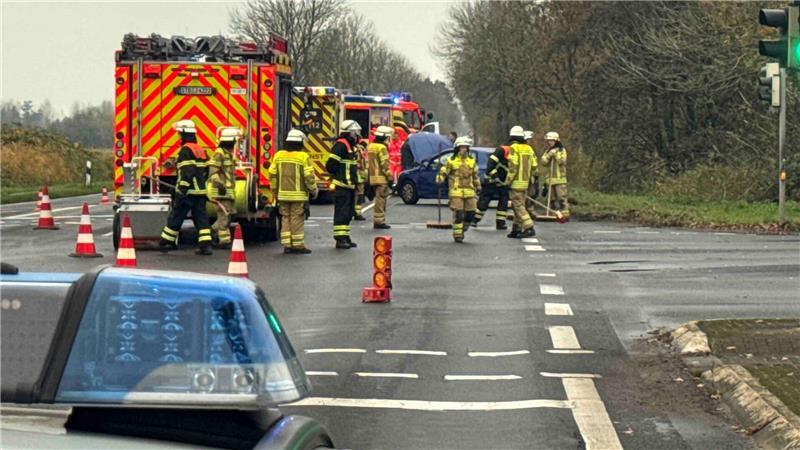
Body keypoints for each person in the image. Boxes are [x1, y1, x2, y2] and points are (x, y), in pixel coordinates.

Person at [159, 119, 213, 255]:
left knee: (176, 216)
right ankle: (205, 245)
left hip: (188, 192)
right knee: (201, 218)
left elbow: (187, 172)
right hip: (200, 191)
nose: (178, 137)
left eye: (179, 134)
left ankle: (166, 242)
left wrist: (181, 190)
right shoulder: (200, 150)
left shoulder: (185, 150)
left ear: (183, 134)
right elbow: (205, 170)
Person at [269, 129, 319, 254]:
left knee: (285, 218)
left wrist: (274, 191)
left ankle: (287, 244)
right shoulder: (303, 156)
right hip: (299, 196)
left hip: (282, 195)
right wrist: (313, 190)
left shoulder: (279, 155)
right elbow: (308, 176)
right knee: (296, 218)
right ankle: (297, 245)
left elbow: (272, 173)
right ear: (300, 142)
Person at [436, 136, 480, 243]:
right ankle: (458, 235)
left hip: (469, 192)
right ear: (457, 149)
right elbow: (443, 171)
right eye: (462, 147)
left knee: (471, 214)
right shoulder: (451, 161)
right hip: (456, 192)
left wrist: (478, 186)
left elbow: (475, 176)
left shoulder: (471, 161)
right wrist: (440, 178)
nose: (464, 149)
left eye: (466, 147)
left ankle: (462, 229)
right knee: (459, 214)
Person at [326, 119, 361, 249]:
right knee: (341, 212)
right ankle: (340, 239)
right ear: (350, 132)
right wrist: (340, 177)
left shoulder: (350, 146)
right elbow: (330, 165)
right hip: (342, 186)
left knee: (348, 212)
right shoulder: (341, 145)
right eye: (356, 132)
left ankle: (345, 236)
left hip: (349, 186)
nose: (357, 135)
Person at [207, 126, 240, 248]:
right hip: (222, 191)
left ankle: (211, 231)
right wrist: (220, 185)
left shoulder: (228, 154)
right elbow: (213, 172)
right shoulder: (219, 154)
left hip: (229, 192)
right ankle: (224, 241)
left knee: (229, 215)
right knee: (224, 216)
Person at [505, 125, 537, 238]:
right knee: (519, 206)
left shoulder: (514, 148)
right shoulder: (529, 148)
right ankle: (516, 229)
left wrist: (508, 181)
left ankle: (529, 228)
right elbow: (534, 165)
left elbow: (513, 166)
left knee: (518, 207)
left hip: (516, 183)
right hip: (526, 183)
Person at [473, 144, 510, 230]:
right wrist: (495, 176)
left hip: (503, 183)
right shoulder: (502, 150)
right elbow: (490, 164)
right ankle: (474, 220)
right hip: (491, 181)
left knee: (504, 203)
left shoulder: (518, 152)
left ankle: (501, 223)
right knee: (484, 201)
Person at [367, 125, 394, 229]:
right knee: (381, 200)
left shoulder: (371, 146)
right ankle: (379, 221)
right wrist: (390, 177)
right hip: (381, 178)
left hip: (372, 177)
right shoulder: (382, 148)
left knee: (377, 199)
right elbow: (385, 165)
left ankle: (378, 220)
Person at [540, 131, 568, 217]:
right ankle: (553, 213)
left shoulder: (561, 150)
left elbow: (562, 161)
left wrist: (555, 154)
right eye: (548, 141)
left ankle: (564, 214)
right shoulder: (547, 151)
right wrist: (549, 155)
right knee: (551, 199)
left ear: (556, 141)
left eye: (551, 140)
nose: (549, 142)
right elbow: (543, 162)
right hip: (550, 179)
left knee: (561, 198)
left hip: (560, 179)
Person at [354, 138, 369, 221]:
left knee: (356, 195)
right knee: (359, 195)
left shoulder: (356, 150)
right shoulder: (359, 152)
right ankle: (357, 213)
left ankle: (355, 212)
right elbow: (361, 165)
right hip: (358, 177)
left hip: (357, 176)